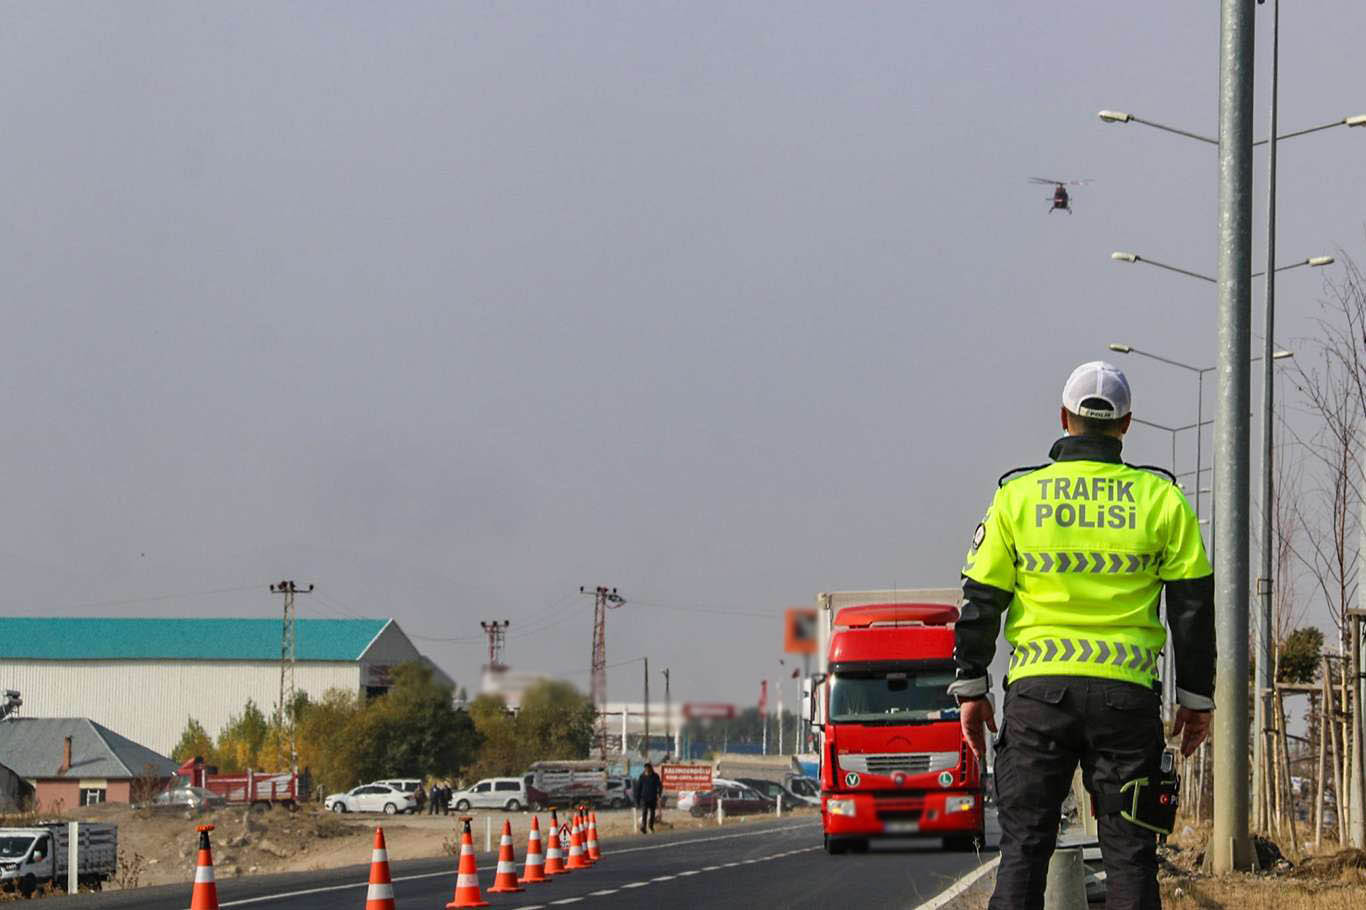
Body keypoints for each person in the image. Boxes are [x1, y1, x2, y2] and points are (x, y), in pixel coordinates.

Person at [950, 361, 1214, 910]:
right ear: (1127, 424)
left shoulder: (1017, 498)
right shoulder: (1161, 500)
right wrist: (1195, 700)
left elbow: (980, 603)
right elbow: (1192, 607)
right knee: (1131, 855)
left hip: (1037, 699)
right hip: (1125, 700)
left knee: (1023, 851)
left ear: (1064, 418)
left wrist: (972, 689)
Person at [632, 763, 662, 833]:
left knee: (652, 813)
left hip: (653, 798)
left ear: (651, 768)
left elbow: (659, 786)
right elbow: (638, 788)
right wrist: (637, 800)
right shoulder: (642, 777)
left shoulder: (655, 776)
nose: (647, 770)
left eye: (648, 768)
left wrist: (659, 794)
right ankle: (643, 827)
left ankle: (651, 826)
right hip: (644, 798)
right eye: (646, 768)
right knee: (644, 812)